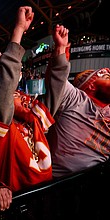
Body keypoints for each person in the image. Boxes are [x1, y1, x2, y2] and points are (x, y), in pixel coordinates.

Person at [0, 6, 55, 192]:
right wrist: (18, 30)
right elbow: (4, 90)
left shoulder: (33, 119)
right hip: (17, 203)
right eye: (17, 96)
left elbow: (53, 97)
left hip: (47, 195)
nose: (26, 101)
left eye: (25, 99)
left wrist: (60, 51)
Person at [45, 24, 110, 178]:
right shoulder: (75, 100)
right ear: (92, 85)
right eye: (107, 77)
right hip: (62, 190)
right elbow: (55, 80)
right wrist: (60, 50)